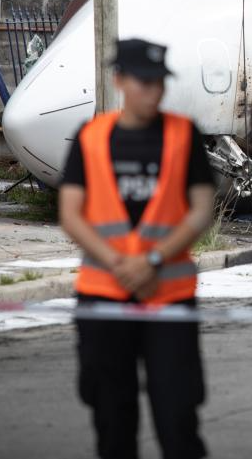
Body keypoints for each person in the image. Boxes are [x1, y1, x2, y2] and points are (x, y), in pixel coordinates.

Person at [59, 38, 216, 459]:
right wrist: (119, 264)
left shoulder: (183, 135)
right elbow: (71, 214)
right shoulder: (91, 137)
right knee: (113, 422)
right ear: (120, 80)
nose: (154, 91)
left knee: (178, 420)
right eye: (144, 82)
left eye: (159, 82)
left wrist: (152, 260)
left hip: (168, 298)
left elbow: (201, 209)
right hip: (104, 298)